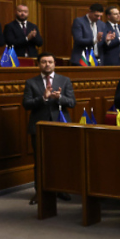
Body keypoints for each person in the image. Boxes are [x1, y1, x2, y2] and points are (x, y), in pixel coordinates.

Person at [22, 53, 75, 205]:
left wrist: (59, 98)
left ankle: (62, 189)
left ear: (54, 64)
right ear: (38, 64)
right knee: (40, 160)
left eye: (50, 62)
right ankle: (40, 192)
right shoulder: (31, 82)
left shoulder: (65, 80)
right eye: (44, 62)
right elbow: (26, 104)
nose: (47, 65)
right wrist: (43, 98)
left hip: (60, 125)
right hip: (39, 126)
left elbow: (72, 102)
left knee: (61, 159)